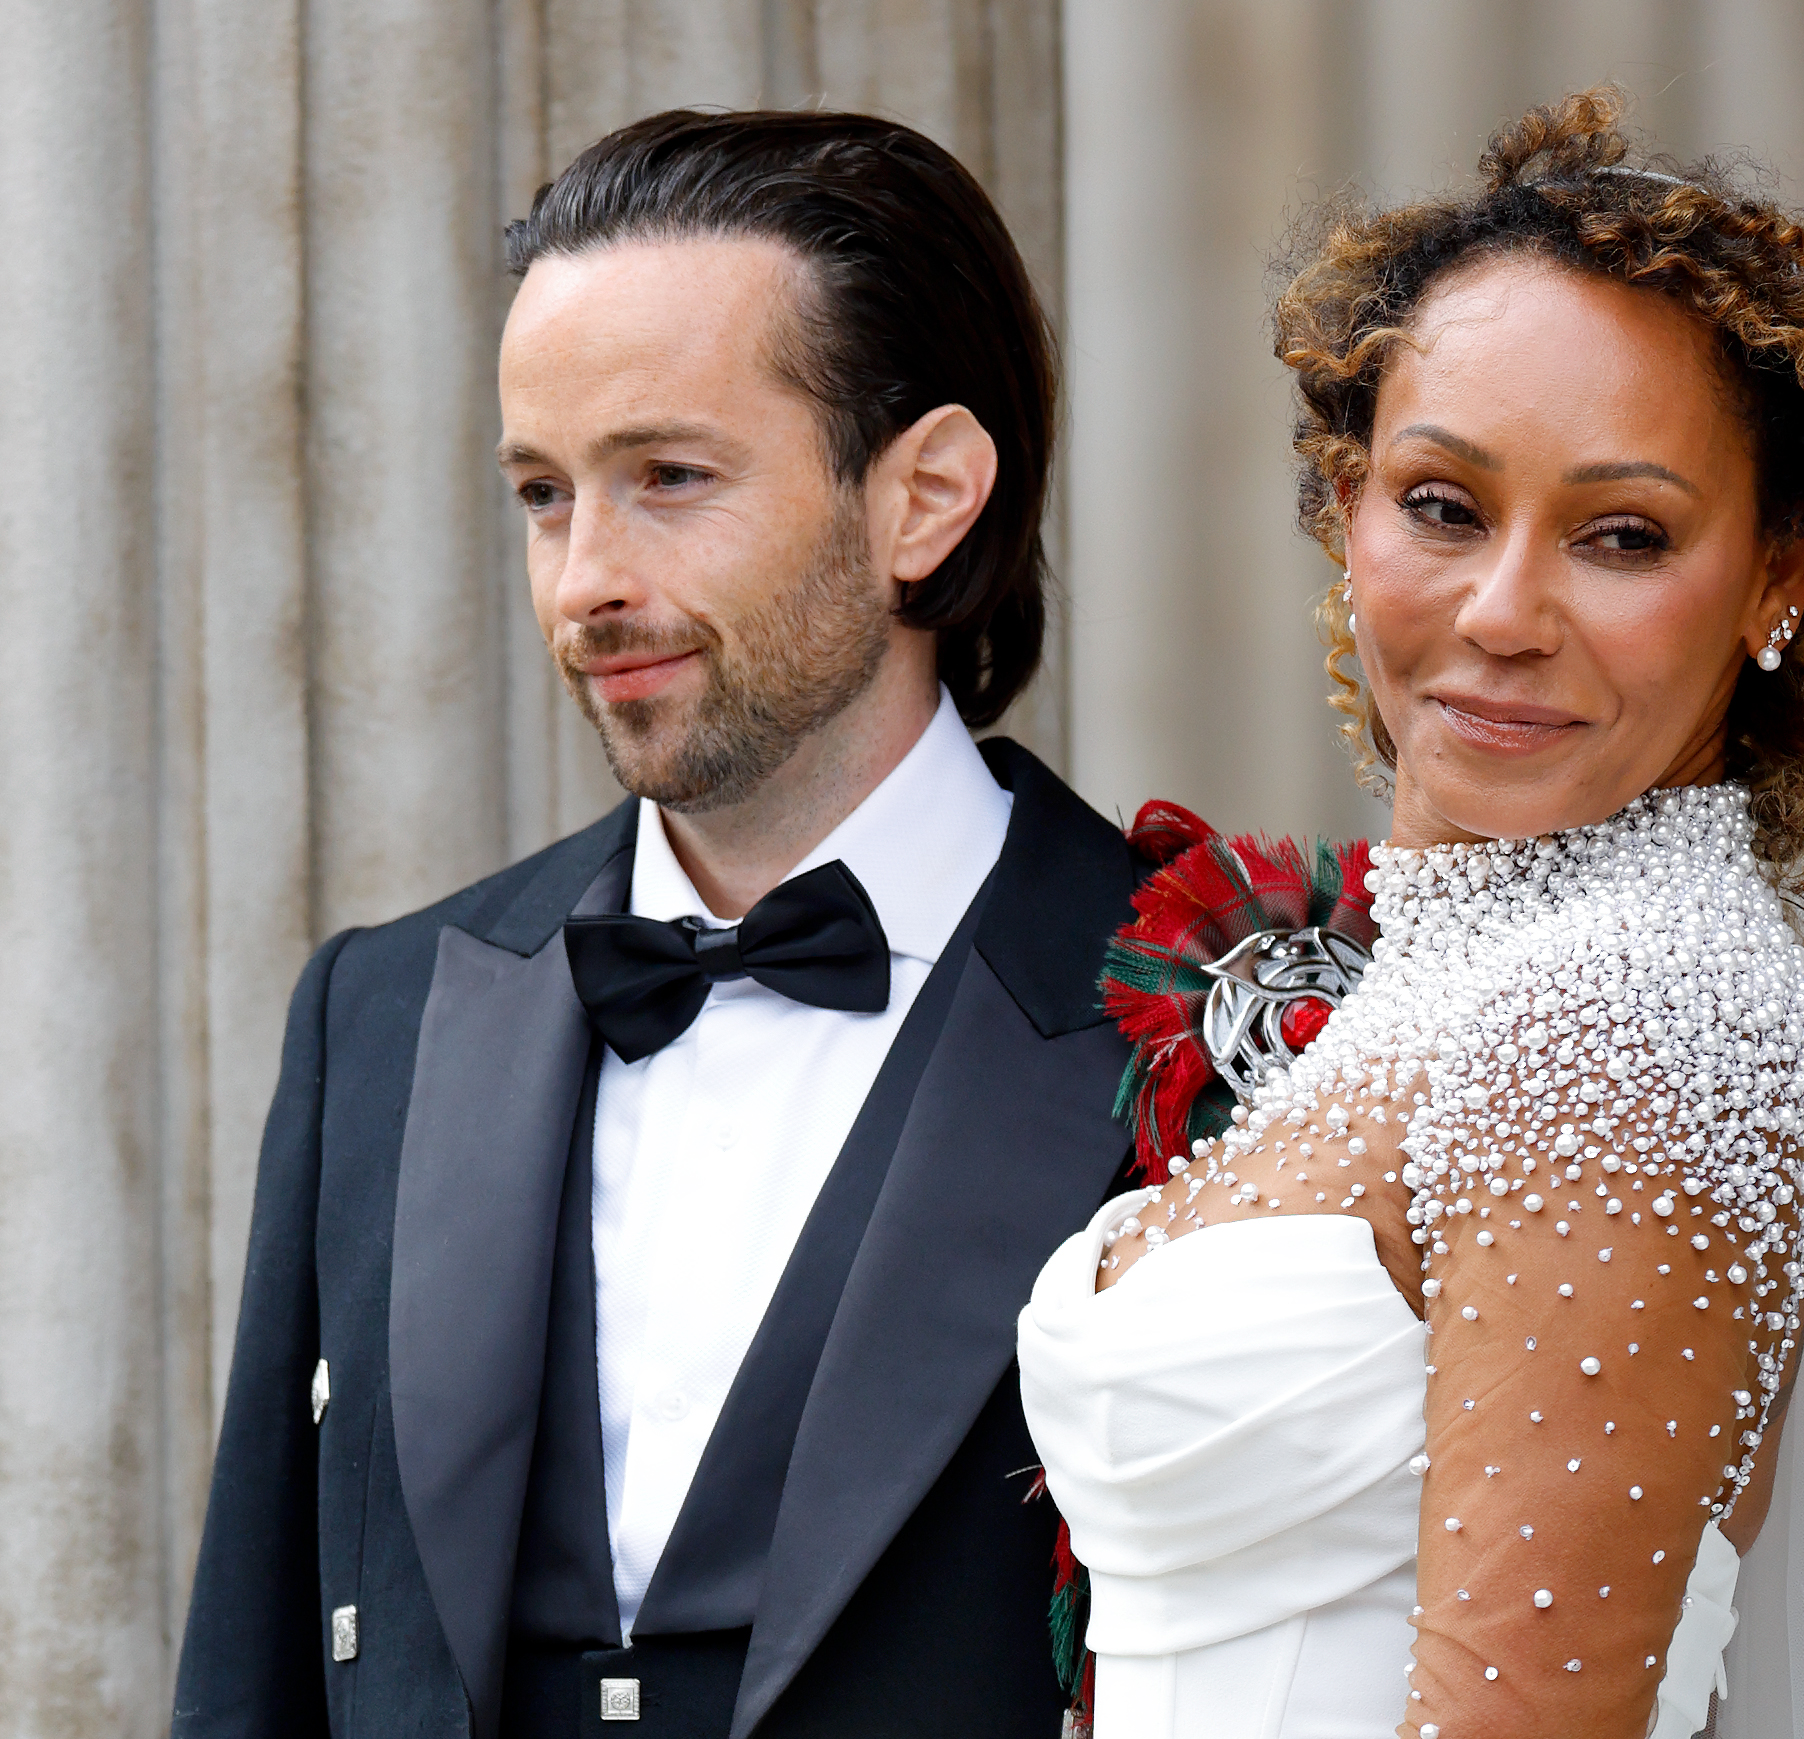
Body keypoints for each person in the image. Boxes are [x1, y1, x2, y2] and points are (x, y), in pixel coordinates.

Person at [1019, 89, 1804, 1739]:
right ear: (1343, 503)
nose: (1503, 613)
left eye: (1620, 535)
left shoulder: (1620, 1015)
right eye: (1442, 507)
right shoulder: (1476, 973)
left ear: (1774, 574)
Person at [173, 110, 1139, 1739]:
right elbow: (256, 1671)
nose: (581, 583)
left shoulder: (1208, 1013)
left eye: (668, 479)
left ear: (926, 498)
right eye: (545, 495)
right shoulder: (382, 1010)